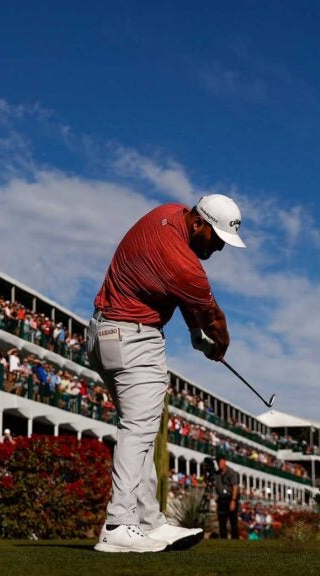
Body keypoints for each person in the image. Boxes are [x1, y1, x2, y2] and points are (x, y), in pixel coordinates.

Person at [88, 194, 246, 553]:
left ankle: (148, 522)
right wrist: (220, 344)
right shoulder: (186, 265)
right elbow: (212, 316)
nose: (219, 249)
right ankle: (118, 524)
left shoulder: (166, 214)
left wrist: (192, 333)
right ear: (198, 224)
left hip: (102, 334)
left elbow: (175, 292)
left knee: (139, 429)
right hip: (133, 338)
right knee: (138, 429)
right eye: (218, 240)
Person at [215, 456, 240, 539]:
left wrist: (233, 500)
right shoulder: (217, 473)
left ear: (225, 462)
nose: (219, 464)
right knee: (222, 522)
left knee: (233, 521)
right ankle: (223, 539)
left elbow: (235, 487)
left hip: (230, 498)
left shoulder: (231, 472)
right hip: (221, 499)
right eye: (218, 462)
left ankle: (235, 539)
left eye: (221, 462)